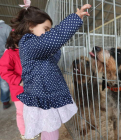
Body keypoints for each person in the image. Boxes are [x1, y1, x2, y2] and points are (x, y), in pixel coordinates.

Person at [10, 3, 91, 140]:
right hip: (42, 98)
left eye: (49, 30)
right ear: (30, 25)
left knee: (50, 129)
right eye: (46, 29)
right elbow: (53, 40)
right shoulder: (29, 43)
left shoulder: (38, 47)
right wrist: (75, 19)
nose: (48, 33)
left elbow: (54, 54)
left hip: (47, 95)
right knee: (51, 131)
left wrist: (54, 45)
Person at [0, 34, 40, 139]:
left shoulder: (29, 52)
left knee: (33, 110)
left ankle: (33, 129)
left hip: (33, 88)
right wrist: (19, 81)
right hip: (19, 90)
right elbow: (4, 71)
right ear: (14, 42)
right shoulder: (9, 53)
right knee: (21, 112)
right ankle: (24, 133)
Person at [0, 20, 11, 109]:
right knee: (4, 79)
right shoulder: (7, 28)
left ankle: (5, 100)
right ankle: (5, 101)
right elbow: (11, 43)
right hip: (4, 56)